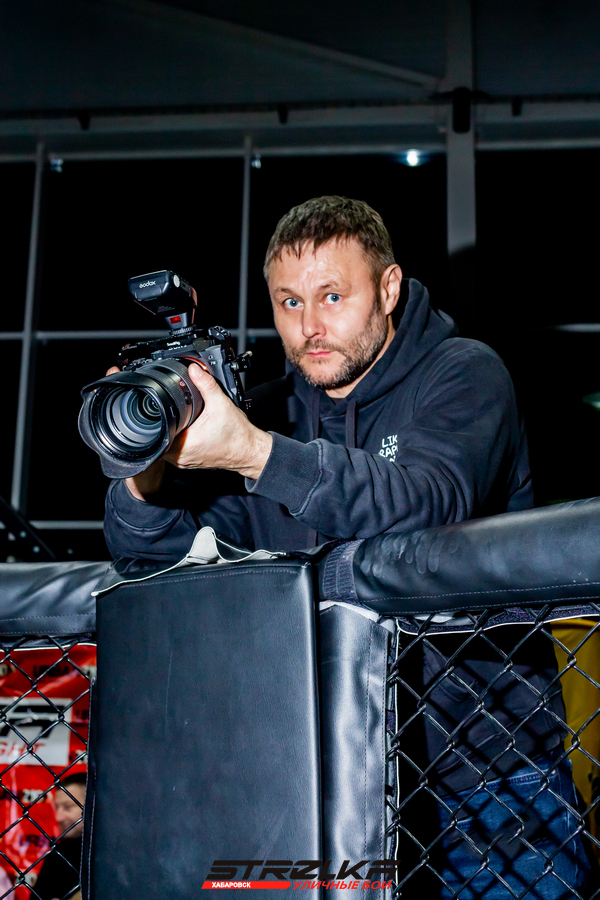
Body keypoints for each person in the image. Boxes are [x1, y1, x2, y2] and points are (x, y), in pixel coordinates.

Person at [103, 196, 590, 896]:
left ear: (388, 289)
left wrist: (255, 454)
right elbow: (155, 560)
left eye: (333, 296)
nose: (310, 326)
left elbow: (427, 503)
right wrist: (142, 475)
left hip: (488, 784)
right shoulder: (268, 414)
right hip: (330, 778)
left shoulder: (462, 373)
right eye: (289, 302)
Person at [33, 773, 86, 900]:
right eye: (57, 808)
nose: (58, 817)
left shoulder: (117, 852)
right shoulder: (58, 854)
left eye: (68, 807)